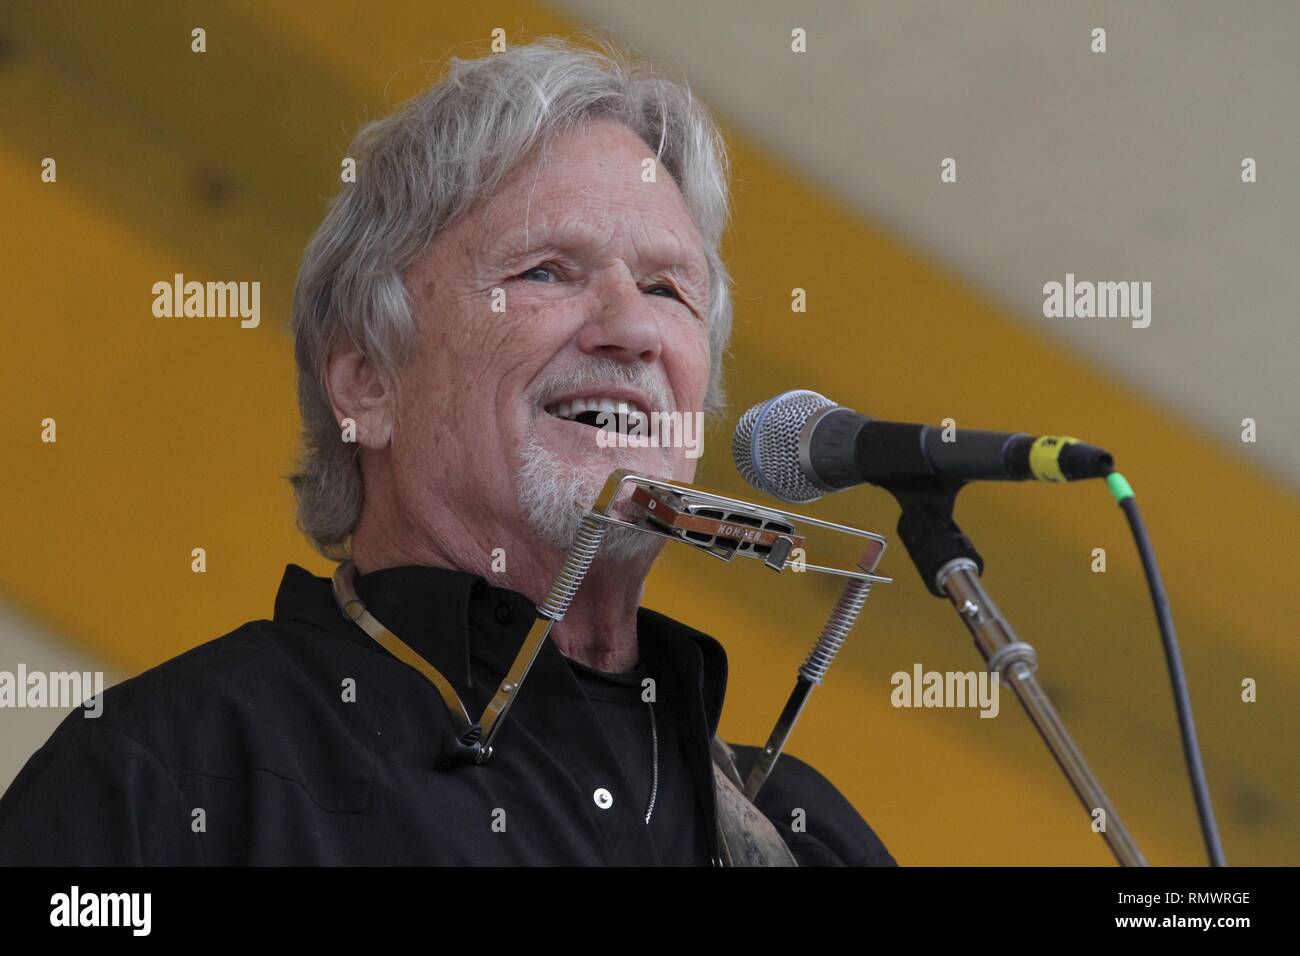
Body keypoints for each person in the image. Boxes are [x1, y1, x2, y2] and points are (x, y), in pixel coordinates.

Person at [0, 39, 894, 866]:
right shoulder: (170, 774)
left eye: (668, 288)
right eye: (545, 270)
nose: (632, 328)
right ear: (367, 382)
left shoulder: (809, 835)